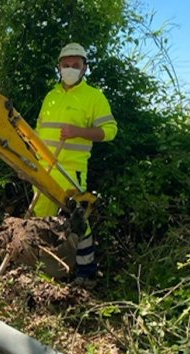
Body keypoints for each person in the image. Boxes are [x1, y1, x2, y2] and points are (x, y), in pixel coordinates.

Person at [33, 42, 118, 288]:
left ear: (84, 68)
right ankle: (46, 270)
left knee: (77, 220)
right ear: (59, 67)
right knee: (42, 220)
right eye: (65, 65)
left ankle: (87, 271)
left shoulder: (94, 97)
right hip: (43, 169)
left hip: (70, 170)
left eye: (75, 65)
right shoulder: (51, 96)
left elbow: (110, 131)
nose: (70, 69)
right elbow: (39, 132)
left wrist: (78, 131)